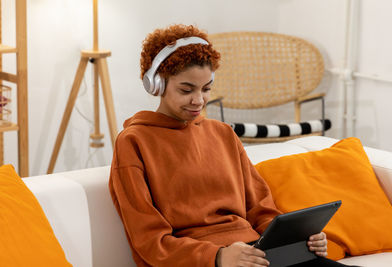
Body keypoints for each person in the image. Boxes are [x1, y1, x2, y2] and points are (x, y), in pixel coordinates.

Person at [109, 24, 358, 267]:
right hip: (201, 261)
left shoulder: (222, 134)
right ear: (156, 84)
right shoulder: (134, 142)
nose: (199, 100)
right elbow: (149, 242)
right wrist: (217, 257)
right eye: (186, 90)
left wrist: (297, 239)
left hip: (255, 253)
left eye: (206, 89)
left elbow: (261, 211)